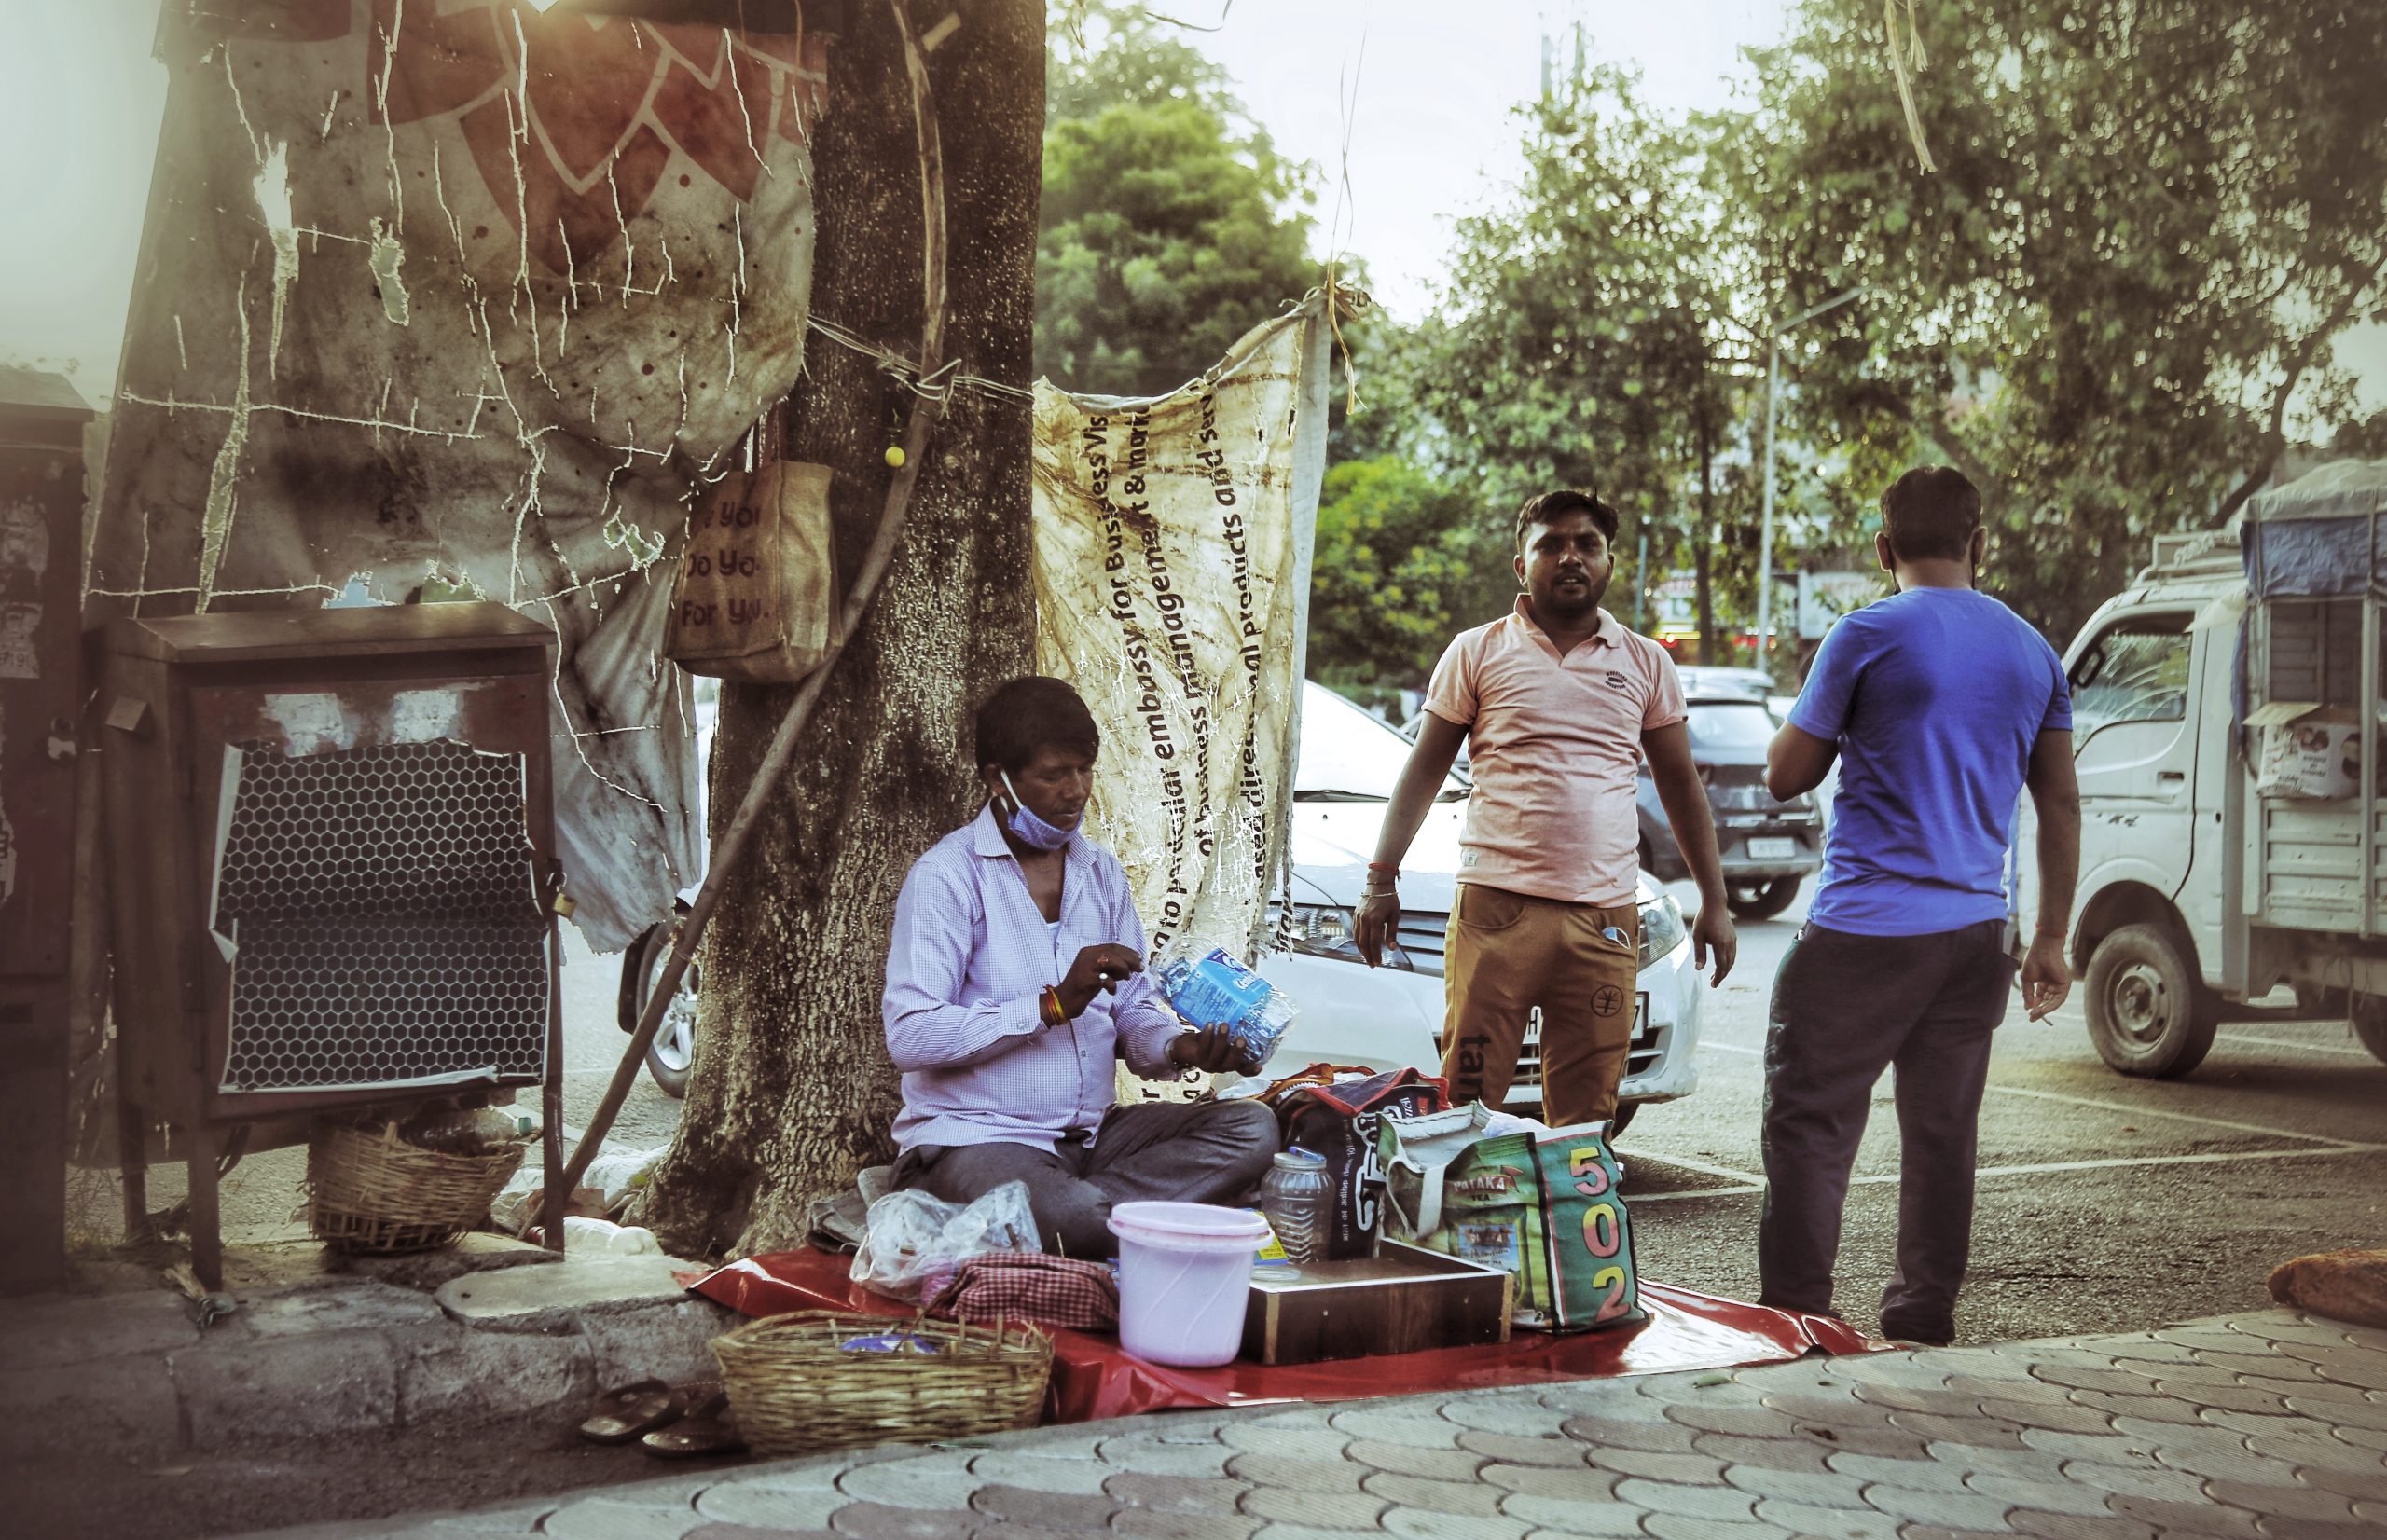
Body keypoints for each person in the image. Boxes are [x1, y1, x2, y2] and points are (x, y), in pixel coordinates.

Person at [1759, 465, 2081, 1346]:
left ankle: (1797, 1316)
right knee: (1943, 1135)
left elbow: (1787, 774)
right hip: (1978, 934)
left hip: (1865, 931)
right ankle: (1922, 1314)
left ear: (1882, 548)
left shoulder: (1865, 632)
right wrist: (2051, 937)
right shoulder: (2032, 649)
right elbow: (2060, 802)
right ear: (1981, 545)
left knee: (1811, 1120)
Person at [1355, 488, 1736, 1129]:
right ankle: (1468, 1226)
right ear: (1520, 565)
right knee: (1468, 1104)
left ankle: (1571, 1229)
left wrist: (1716, 904)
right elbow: (1423, 770)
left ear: (1609, 563)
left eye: (1587, 545)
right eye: (1551, 545)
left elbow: (1680, 788)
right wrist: (1379, 879)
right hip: (1496, 912)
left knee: (1588, 1119)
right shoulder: (1477, 651)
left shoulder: (1647, 663)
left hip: (1603, 921)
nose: (1570, 558)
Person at [881, 675, 1279, 1258]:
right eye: (1053, 775)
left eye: (1084, 770)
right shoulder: (948, 876)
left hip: (1091, 1140)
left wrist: (1182, 1049)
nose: (1076, 791)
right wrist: (1051, 1006)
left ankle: (1069, 1218)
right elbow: (911, 1035)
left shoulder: (1099, 873)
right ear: (999, 779)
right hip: (980, 1138)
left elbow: (1134, 1008)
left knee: (1253, 1129)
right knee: (1074, 1215)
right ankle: (1086, 1218)